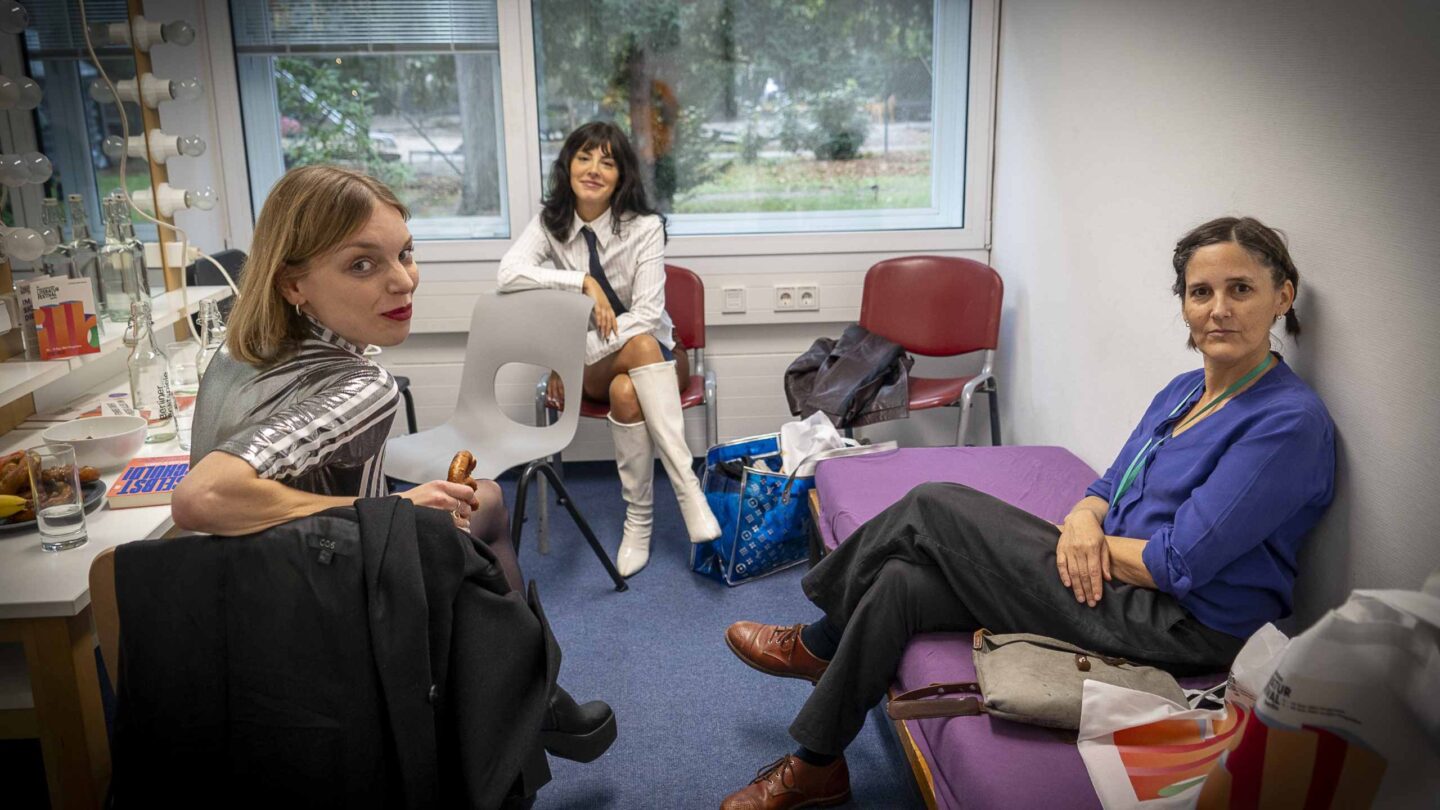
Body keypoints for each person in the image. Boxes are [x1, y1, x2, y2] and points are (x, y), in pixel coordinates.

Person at [719, 216, 1336, 809]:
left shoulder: (1287, 425)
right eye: (1201, 292)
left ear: (1282, 296)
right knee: (902, 583)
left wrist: (1085, 543)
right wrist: (1081, 520)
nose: (1218, 308)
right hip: (1114, 582)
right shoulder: (1183, 391)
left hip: (1180, 623)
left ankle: (820, 639)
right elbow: (1109, 481)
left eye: (1241, 289)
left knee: (935, 506)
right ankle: (816, 765)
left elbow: (1177, 562)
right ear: (1183, 304)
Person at [173, 165, 612, 762]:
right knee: (482, 511)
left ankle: (535, 694)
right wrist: (390, 507)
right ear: (292, 284)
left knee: (481, 498)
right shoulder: (361, 385)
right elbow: (202, 498)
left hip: (245, 597)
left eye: (406, 254)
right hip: (323, 603)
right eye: (362, 264)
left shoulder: (239, 351)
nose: (404, 281)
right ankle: (532, 698)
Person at [497, 121, 720, 578]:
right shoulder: (550, 224)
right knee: (631, 354)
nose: (594, 169)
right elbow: (509, 274)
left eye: (608, 161)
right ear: (568, 165)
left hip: (657, 353)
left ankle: (637, 525)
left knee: (628, 385)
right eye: (584, 157)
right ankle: (688, 490)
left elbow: (649, 312)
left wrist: (578, 345)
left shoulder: (645, 228)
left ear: (622, 176)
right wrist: (581, 281)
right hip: (589, 362)